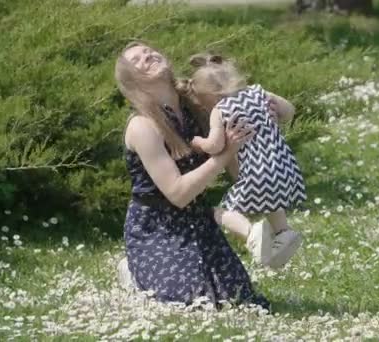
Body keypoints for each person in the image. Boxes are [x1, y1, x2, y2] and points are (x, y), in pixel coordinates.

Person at [114, 41, 269, 310]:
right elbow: (179, 193)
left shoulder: (194, 105)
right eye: (136, 59)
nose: (148, 55)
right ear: (133, 81)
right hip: (156, 227)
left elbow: (236, 155)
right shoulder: (142, 126)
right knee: (192, 302)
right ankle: (134, 270)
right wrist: (224, 154)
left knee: (238, 300)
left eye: (150, 51)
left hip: (198, 220)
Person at [175, 53, 306, 269]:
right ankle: (284, 233)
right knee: (272, 201)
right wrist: (276, 112)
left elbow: (215, 146)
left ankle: (252, 233)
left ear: (209, 97)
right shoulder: (259, 93)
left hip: (254, 173)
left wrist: (197, 142)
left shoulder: (220, 109)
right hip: (283, 168)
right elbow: (289, 111)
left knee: (221, 212)